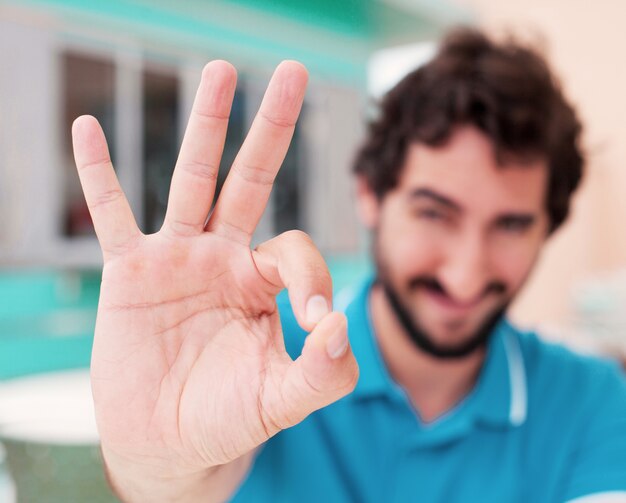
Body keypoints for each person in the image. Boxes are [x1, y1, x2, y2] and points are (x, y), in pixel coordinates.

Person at [71, 28, 626, 502]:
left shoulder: (593, 401)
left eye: (510, 225)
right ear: (370, 194)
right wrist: (157, 473)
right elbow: (180, 484)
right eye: (435, 213)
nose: (464, 274)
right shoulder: (252, 356)